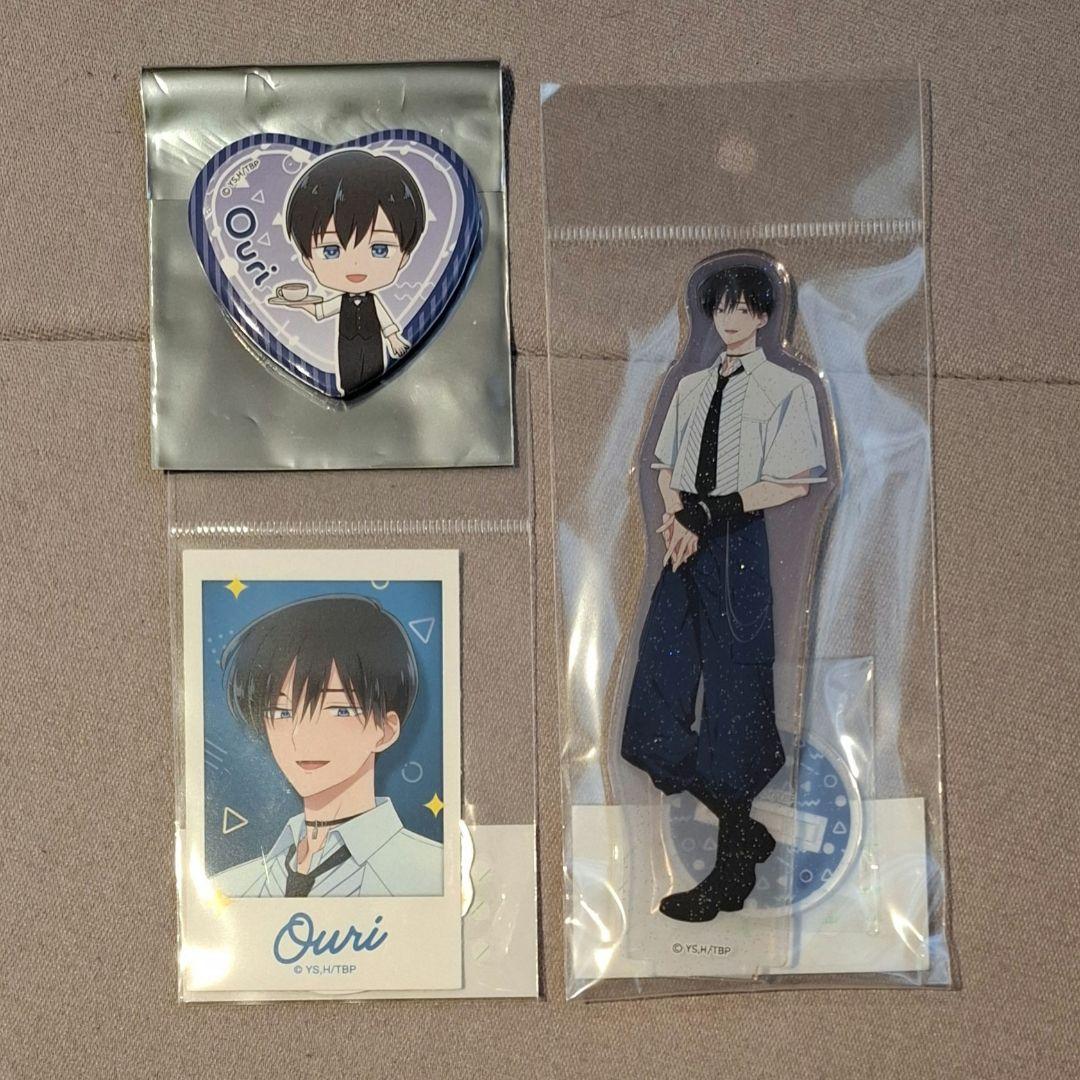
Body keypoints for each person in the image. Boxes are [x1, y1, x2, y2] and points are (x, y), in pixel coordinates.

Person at [622, 264, 827, 921]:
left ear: (765, 316)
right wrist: (678, 516)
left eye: (743, 309)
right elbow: (663, 465)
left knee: (736, 699)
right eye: (720, 309)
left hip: (739, 544)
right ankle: (743, 824)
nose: (730, 321)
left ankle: (732, 867)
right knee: (651, 711)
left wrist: (711, 513)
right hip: (684, 543)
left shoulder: (788, 388)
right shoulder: (689, 386)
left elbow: (796, 481)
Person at [211, 595, 442, 898]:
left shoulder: (435, 875)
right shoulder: (230, 890)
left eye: (339, 709)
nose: (300, 736)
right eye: (281, 712)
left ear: (385, 730)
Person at [281, 149, 426, 396]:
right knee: (349, 373)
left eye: (379, 249)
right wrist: (298, 303)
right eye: (331, 251)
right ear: (308, 260)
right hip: (346, 345)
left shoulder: (374, 301)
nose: (356, 265)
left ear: (404, 256)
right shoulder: (340, 301)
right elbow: (320, 311)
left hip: (373, 344)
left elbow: (386, 322)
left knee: (372, 366)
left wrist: (393, 339)